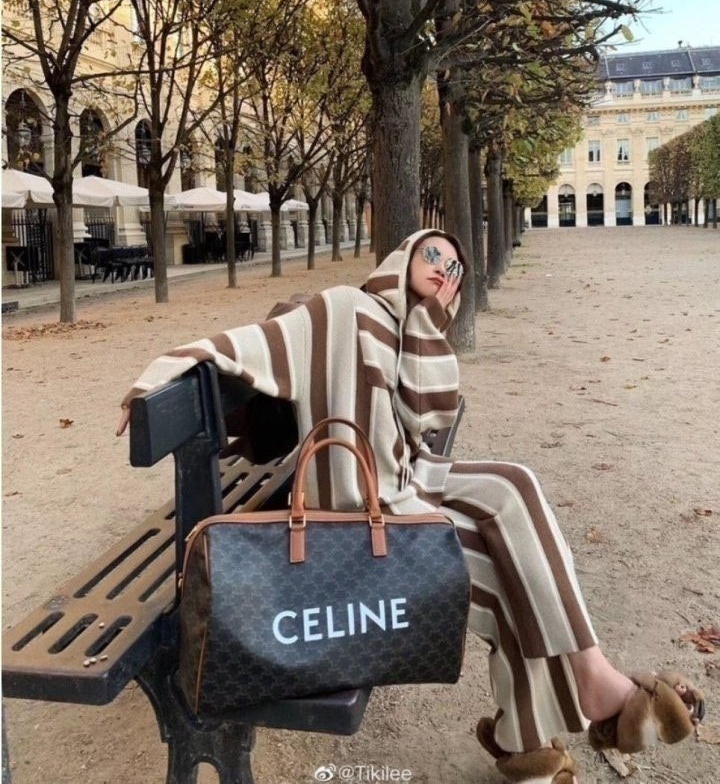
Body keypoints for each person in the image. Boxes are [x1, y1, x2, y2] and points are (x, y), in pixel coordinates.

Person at [117, 229, 704, 783]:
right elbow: (244, 345)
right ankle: (559, 712)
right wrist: (151, 382)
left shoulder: (407, 326)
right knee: (504, 572)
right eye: (432, 255)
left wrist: (428, 322)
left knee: (514, 494)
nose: (444, 268)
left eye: (454, 266)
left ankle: (558, 712)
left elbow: (431, 413)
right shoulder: (341, 308)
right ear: (403, 257)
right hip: (352, 517)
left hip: (404, 488)